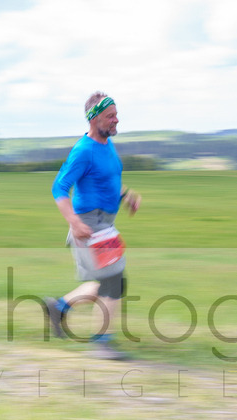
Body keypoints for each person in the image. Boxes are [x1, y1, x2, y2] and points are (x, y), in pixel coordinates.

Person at [44, 92, 141, 361]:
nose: (116, 120)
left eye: (116, 114)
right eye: (110, 116)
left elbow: (105, 179)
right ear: (94, 118)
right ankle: (101, 343)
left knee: (111, 282)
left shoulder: (107, 144)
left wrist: (126, 195)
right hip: (88, 225)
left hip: (104, 224)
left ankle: (59, 307)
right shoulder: (83, 151)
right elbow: (59, 187)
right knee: (114, 282)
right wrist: (74, 222)